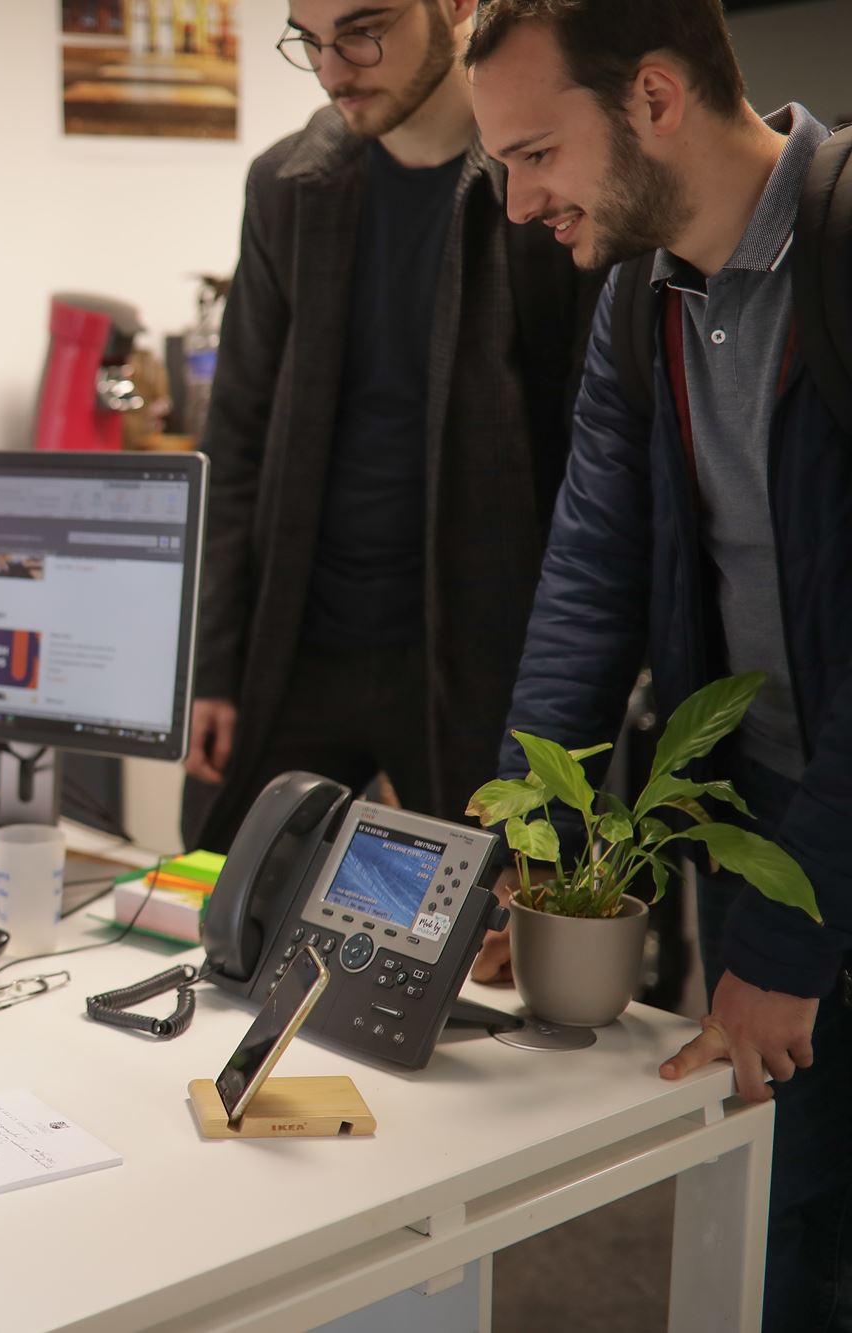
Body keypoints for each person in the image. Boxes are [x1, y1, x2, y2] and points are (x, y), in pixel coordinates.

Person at [463, 3, 852, 1325]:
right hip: (770, 829)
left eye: (534, 155)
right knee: (776, 1229)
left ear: (652, 97)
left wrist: (790, 940)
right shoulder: (642, 298)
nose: (519, 205)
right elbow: (587, 580)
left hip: (824, 854)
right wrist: (526, 839)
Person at [183, 0, 592, 851]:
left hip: (473, 653)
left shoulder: (539, 186)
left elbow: (590, 454)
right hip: (298, 644)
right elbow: (239, 432)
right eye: (310, 42)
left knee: (472, 947)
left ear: (454, 10)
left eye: (364, 32)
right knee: (219, 910)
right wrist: (211, 667)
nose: (335, 71)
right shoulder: (289, 184)